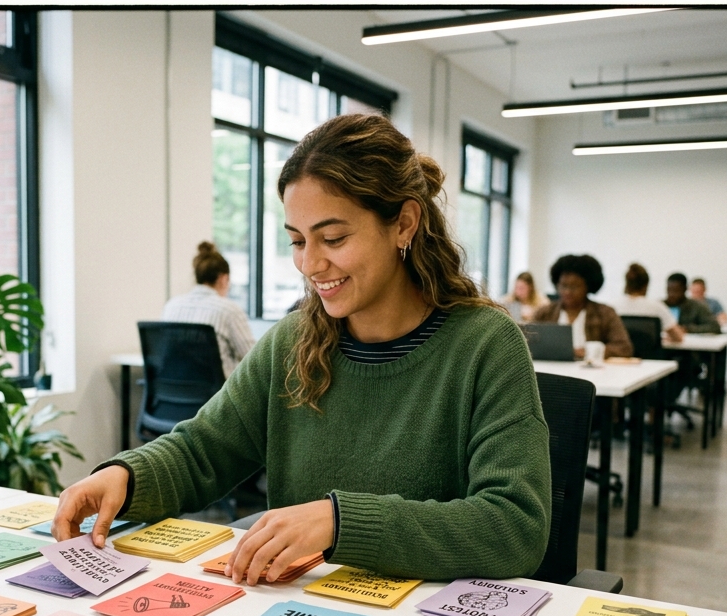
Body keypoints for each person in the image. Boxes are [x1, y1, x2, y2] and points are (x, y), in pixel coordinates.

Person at [54, 113, 551, 584]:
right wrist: (125, 475)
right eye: (296, 241)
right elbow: (204, 448)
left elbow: (514, 526)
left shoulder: (485, 345)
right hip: (301, 614)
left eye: (332, 238)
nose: (310, 265)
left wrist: (339, 522)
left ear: (403, 224)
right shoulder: (294, 341)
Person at [161, 242, 256, 379]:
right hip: (216, 397)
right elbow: (253, 359)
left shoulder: (171, 306)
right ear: (223, 279)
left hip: (173, 394)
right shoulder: (228, 310)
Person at [531, 254, 633, 359]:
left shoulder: (605, 313)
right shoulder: (544, 313)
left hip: (592, 374)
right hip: (552, 372)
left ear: (588, 287)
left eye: (574, 287)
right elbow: (528, 345)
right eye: (563, 285)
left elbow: (624, 348)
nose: (567, 291)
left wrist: (590, 351)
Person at [615, 263, 685, 342]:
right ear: (646, 285)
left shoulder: (614, 307)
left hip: (621, 354)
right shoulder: (656, 307)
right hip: (649, 354)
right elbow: (678, 337)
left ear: (626, 283)